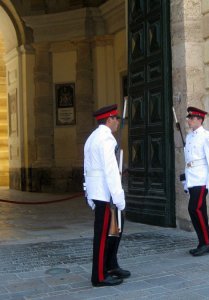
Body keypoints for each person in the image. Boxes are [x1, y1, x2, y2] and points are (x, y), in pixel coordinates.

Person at [83, 104, 130, 287]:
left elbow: (86, 169)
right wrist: (119, 198)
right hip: (105, 193)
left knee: (116, 229)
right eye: (116, 118)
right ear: (109, 119)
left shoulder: (92, 138)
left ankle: (110, 265)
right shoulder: (107, 139)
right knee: (103, 235)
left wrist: (87, 191)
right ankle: (99, 276)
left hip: (97, 191)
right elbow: (111, 172)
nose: (118, 121)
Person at [183, 106, 209, 257]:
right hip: (192, 178)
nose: (188, 120)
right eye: (188, 118)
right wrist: (185, 181)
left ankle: (207, 242)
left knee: (194, 209)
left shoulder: (206, 136)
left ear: (199, 119)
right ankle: (204, 242)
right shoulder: (190, 137)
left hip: (202, 179)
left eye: (191, 118)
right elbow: (187, 161)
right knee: (200, 210)